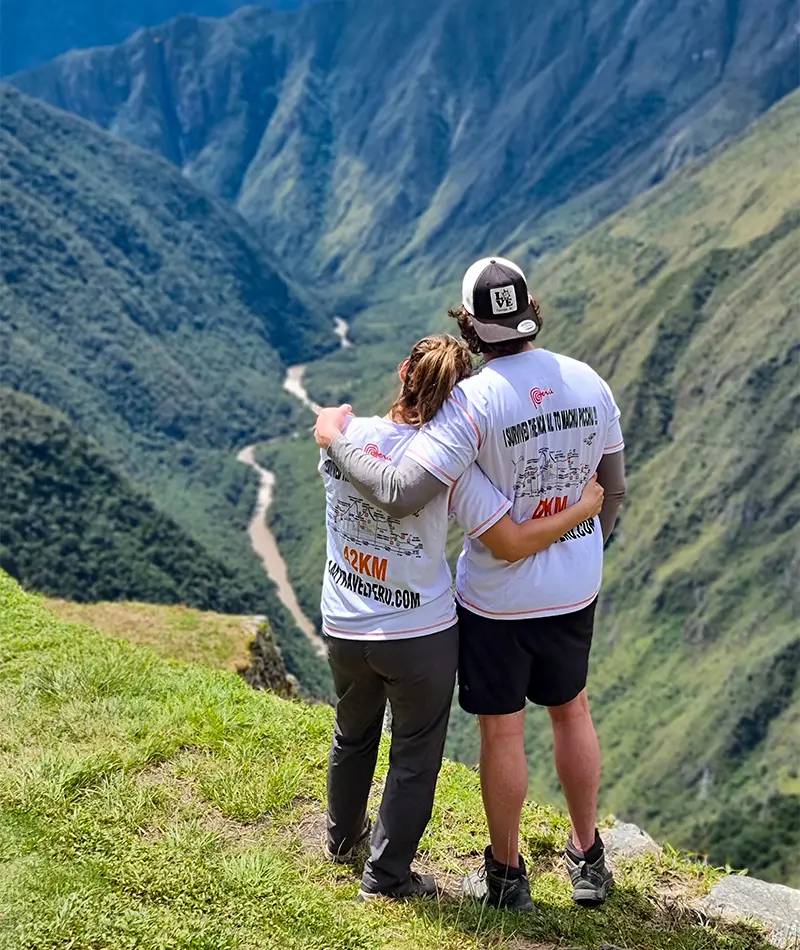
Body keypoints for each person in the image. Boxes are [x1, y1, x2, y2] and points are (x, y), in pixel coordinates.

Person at [315, 258, 627, 912]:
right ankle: (589, 857)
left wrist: (336, 437)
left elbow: (406, 489)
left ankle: (507, 875)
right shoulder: (589, 380)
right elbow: (613, 489)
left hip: (497, 598)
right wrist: (583, 543)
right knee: (573, 709)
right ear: (530, 312)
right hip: (576, 583)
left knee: (503, 731)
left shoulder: (470, 400)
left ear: (471, 326)